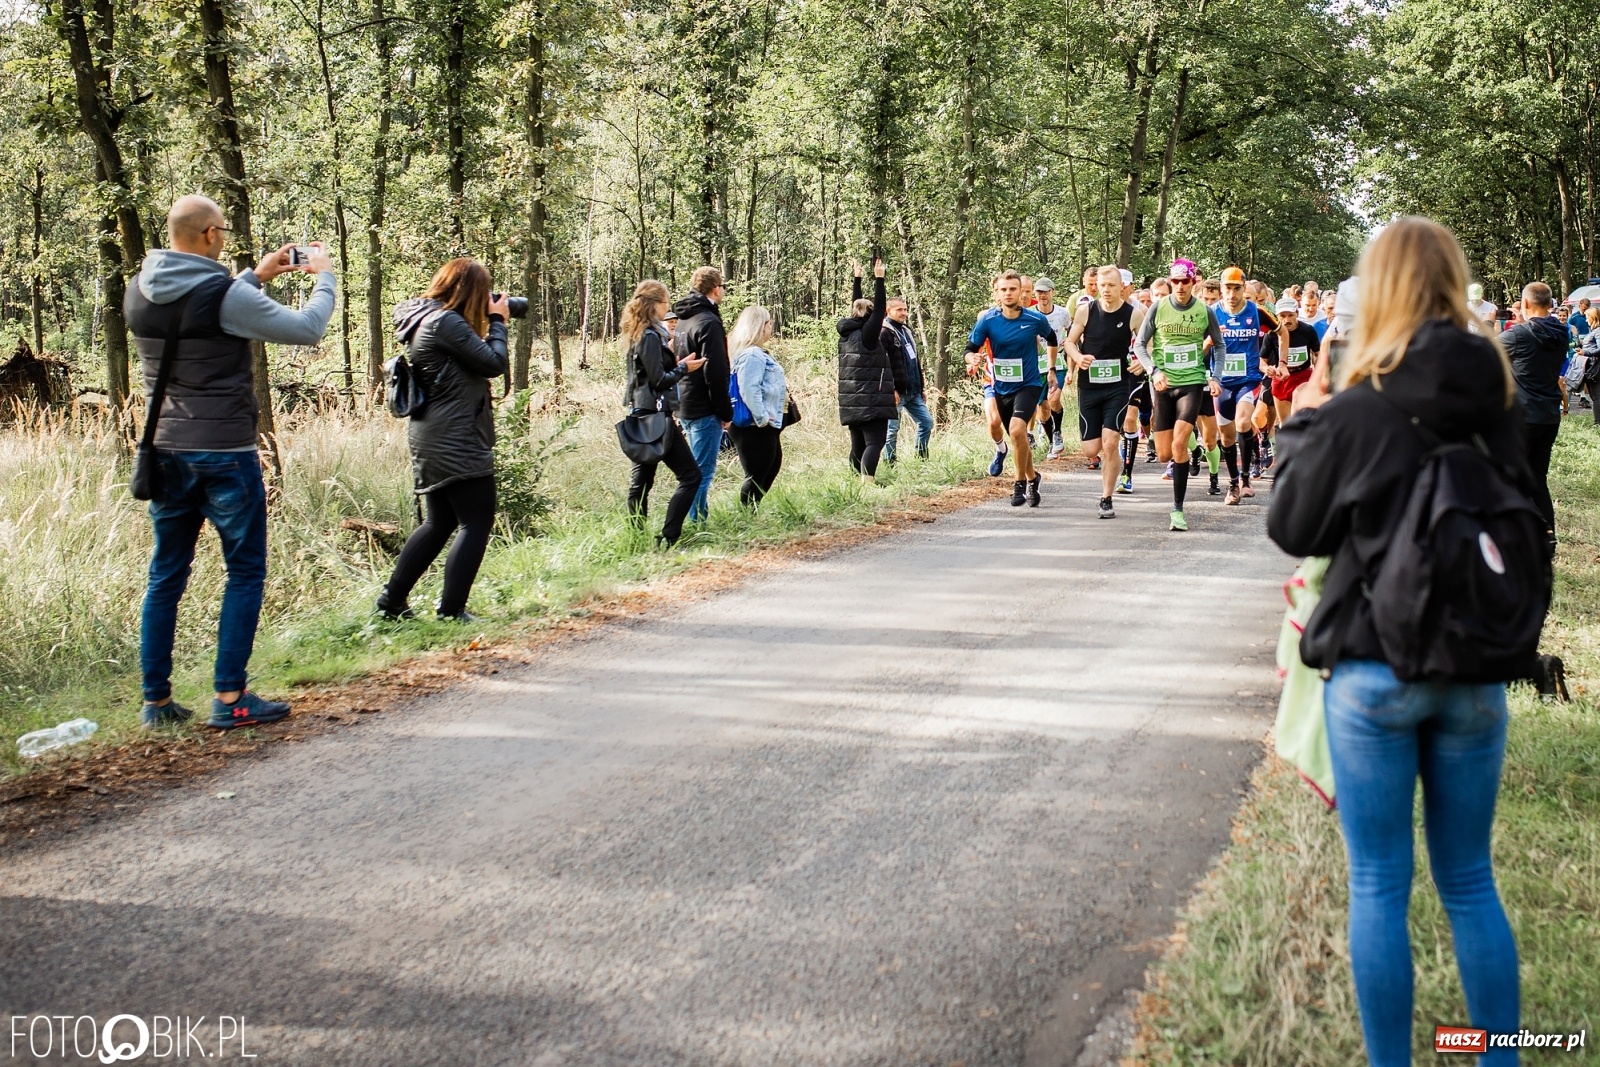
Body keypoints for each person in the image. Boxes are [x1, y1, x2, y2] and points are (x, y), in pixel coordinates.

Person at [1268, 217, 1526, 1067]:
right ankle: (1500, 1054)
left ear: (1373, 292)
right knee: (1470, 878)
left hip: (1375, 667)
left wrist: (1306, 420)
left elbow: (1292, 525)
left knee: (1379, 882)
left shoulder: (1359, 403)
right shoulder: (1500, 400)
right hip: (1477, 671)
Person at [125, 194, 335, 730]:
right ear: (209, 237)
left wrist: (256, 275)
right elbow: (307, 328)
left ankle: (156, 702)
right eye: (221, 230)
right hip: (224, 455)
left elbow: (199, 314)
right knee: (244, 570)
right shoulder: (221, 293)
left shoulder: (138, 290)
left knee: (166, 575)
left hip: (166, 451)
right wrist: (324, 277)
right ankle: (231, 697)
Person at [378, 258, 509, 624]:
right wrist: (497, 321)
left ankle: (392, 600)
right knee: (477, 520)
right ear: (470, 291)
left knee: (440, 522)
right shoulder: (445, 322)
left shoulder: (426, 319)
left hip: (433, 433)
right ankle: (451, 610)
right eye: (484, 292)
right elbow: (494, 363)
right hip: (455, 437)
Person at [1133, 258, 1226, 531]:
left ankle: (1177, 510)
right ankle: (1192, 452)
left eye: (1185, 281)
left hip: (1192, 384)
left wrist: (1215, 377)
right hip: (1163, 385)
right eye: (1175, 281)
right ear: (1170, 282)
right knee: (1164, 454)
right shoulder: (1158, 308)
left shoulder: (1204, 311)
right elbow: (1139, 345)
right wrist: (1154, 370)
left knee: (1178, 445)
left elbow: (1219, 346)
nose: (1181, 286)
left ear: (1193, 282)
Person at [618, 280, 704, 545]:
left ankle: (637, 539)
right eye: (666, 303)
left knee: (641, 482)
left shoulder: (639, 333)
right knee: (691, 476)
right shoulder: (651, 336)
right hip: (655, 417)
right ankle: (668, 536)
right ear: (655, 304)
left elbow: (649, 374)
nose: (668, 308)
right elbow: (659, 380)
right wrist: (683, 370)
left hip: (641, 413)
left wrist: (677, 364)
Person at [965, 270, 1060, 506]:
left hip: (1027, 385)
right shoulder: (988, 320)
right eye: (1003, 289)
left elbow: (1052, 339)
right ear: (997, 293)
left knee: (1018, 431)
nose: (1008, 293)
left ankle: (1018, 485)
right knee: (1018, 440)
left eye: (1013, 289)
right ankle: (1032, 477)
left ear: (1021, 293)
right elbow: (969, 349)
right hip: (1001, 388)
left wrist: (1050, 368)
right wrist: (972, 359)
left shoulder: (1034, 319)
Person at [1064, 264, 1146, 517]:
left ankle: (1106, 498)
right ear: (1096, 286)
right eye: (1102, 286)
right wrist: (1078, 357)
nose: (1107, 290)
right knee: (1091, 449)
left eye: (1111, 285)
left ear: (1121, 285)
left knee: (1111, 443)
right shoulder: (1086, 311)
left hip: (1118, 386)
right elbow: (1069, 341)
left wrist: (1142, 361)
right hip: (1089, 386)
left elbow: (1148, 344)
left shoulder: (1133, 313)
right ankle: (1110, 468)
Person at [1500, 281, 1566, 544]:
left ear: (1525, 304)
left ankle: (1526, 534)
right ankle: (1547, 536)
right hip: (1549, 415)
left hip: (1523, 417)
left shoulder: (1517, 335)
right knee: (1537, 478)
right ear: (1551, 305)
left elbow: (1483, 351)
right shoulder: (1561, 332)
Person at [671, 267, 732, 523]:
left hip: (684, 402)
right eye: (723, 287)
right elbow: (715, 371)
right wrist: (725, 411)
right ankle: (697, 523)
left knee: (696, 469)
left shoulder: (684, 318)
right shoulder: (708, 321)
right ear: (716, 288)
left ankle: (694, 518)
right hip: (704, 407)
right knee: (702, 471)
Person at [837, 258, 906, 481]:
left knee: (857, 446)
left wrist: (857, 277)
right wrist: (879, 278)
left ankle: (854, 484)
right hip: (870, 400)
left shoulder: (848, 334)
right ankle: (867, 484)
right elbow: (878, 311)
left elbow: (858, 305)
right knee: (874, 443)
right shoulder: (868, 336)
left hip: (851, 401)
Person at [1213, 265, 1272, 505]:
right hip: (1221, 383)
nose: (1232, 293)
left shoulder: (1256, 311)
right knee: (1226, 438)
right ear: (1221, 288)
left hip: (1248, 380)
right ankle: (1234, 480)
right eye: (1228, 288)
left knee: (1243, 422)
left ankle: (1243, 481)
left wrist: (1282, 360)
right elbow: (1200, 345)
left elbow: (1282, 332)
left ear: (1243, 288)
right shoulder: (1211, 313)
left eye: (1237, 288)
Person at [727, 304, 787, 506]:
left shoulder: (754, 353)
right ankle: (746, 515)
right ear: (760, 326)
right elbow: (749, 389)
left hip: (762, 423)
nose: (771, 327)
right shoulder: (752, 355)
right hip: (754, 425)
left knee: (769, 468)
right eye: (769, 323)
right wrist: (761, 417)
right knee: (756, 474)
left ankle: (752, 511)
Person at [883, 296, 934, 463]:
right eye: (899, 310)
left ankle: (921, 460)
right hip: (896, 393)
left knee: (926, 422)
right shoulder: (884, 332)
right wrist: (890, 389)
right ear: (888, 311)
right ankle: (890, 464)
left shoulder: (906, 330)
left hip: (913, 391)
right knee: (891, 430)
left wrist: (921, 388)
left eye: (905, 309)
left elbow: (914, 361)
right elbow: (883, 364)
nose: (903, 313)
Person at [1033, 277, 1073, 460]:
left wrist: (1070, 341)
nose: (1043, 295)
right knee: (1042, 407)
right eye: (1039, 292)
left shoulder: (1062, 313)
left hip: (1057, 364)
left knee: (1054, 398)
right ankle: (1051, 441)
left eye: (1046, 291)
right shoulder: (1029, 314)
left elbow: (1073, 332)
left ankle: (1057, 431)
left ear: (1052, 292)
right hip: (1035, 367)